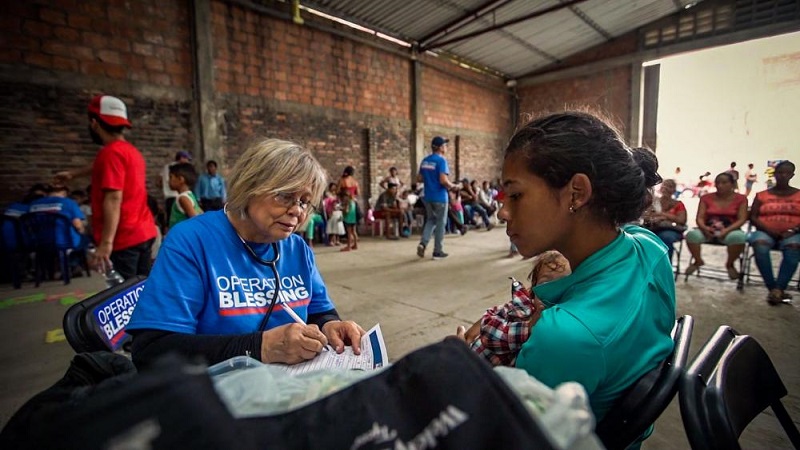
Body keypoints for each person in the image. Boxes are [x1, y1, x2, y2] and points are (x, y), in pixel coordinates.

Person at [456, 111, 675, 425]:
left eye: (516, 195)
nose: (503, 212)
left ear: (577, 193)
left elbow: (502, 433)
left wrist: (458, 365)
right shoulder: (649, 248)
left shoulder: (564, 338)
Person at [126, 138, 365, 368]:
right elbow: (151, 350)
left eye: (304, 201)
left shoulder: (297, 248)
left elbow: (319, 310)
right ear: (249, 187)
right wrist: (261, 347)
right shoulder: (191, 241)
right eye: (284, 196)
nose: (296, 211)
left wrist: (330, 325)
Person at [55, 95, 156, 279]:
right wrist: (73, 174)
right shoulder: (131, 152)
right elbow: (101, 166)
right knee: (143, 292)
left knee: (123, 300)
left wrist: (106, 244)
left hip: (124, 239)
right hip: (144, 232)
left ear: (94, 123)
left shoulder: (110, 154)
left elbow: (113, 198)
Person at [466, 251, 571, 367]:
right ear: (533, 289)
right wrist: (528, 327)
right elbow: (488, 333)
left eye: (561, 285)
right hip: (473, 365)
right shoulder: (520, 307)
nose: (551, 291)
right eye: (545, 283)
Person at [747, 161, 800, 305]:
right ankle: (773, 288)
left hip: (793, 233)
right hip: (765, 231)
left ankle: (779, 287)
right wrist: (768, 230)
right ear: (774, 174)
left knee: (794, 247)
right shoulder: (761, 195)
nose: (783, 176)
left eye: (787, 173)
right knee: (759, 245)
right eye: (780, 172)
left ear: (792, 175)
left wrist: (793, 230)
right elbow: (753, 216)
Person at [685, 172, 748, 279]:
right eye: (718, 183)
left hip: (730, 229)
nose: (720, 185)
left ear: (732, 184)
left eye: (724, 183)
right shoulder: (706, 198)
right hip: (708, 228)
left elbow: (742, 219)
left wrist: (727, 230)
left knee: (739, 238)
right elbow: (699, 217)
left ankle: (730, 264)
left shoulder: (741, 199)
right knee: (692, 235)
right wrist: (705, 228)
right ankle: (698, 260)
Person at [416, 136, 461, 260]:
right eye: (445, 145)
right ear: (440, 148)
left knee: (431, 220)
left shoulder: (425, 161)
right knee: (441, 223)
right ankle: (437, 251)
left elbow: (419, 178)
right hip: (440, 197)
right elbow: (443, 180)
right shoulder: (441, 161)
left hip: (428, 196)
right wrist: (454, 186)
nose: (446, 147)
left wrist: (430, 179)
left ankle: (423, 243)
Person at [641, 179, 688, 261]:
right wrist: (666, 217)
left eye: (669, 186)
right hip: (654, 228)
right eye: (664, 185)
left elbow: (681, 220)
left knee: (665, 237)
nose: (666, 188)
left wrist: (663, 216)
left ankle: (665, 264)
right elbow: (646, 216)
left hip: (671, 229)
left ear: (674, 190)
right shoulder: (654, 202)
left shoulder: (678, 204)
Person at [168, 162, 203, 228]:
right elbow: (200, 213)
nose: (168, 180)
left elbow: (194, 219)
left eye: (171, 177)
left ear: (181, 179)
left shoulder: (183, 198)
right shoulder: (190, 195)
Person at [161, 151, 192, 224]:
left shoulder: (183, 198)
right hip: (173, 196)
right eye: (187, 159)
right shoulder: (177, 169)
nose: (187, 162)